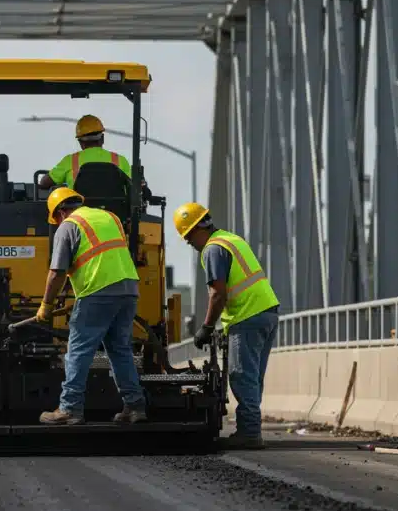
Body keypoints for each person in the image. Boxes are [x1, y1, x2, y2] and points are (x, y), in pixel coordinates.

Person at [35, 187, 148, 425]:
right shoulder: (110, 217)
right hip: (128, 289)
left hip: (98, 291)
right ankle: (135, 407)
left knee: (79, 350)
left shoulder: (68, 225)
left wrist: (46, 305)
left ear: (60, 212)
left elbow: (56, 273)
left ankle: (69, 409)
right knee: (120, 350)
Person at [173, 202, 280, 450]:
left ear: (196, 230)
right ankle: (250, 428)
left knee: (241, 376)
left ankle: (250, 433)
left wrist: (207, 327)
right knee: (253, 379)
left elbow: (218, 294)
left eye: (189, 239)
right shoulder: (231, 239)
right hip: (267, 313)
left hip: (247, 317)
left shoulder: (213, 250)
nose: (191, 245)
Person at [37, 114, 132, 190]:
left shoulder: (70, 161)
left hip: (79, 213)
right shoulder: (120, 160)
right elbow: (134, 186)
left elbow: (44, 183)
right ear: (102, 139)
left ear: (81, 143)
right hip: (115, 213)